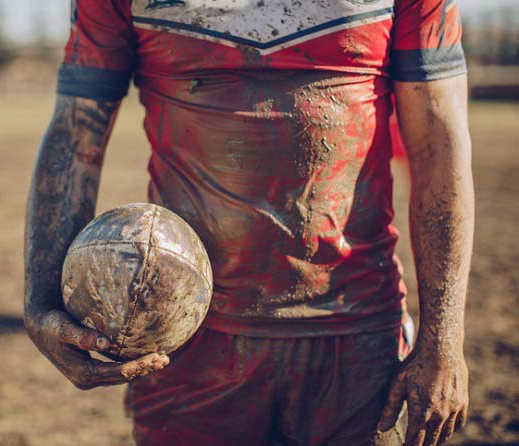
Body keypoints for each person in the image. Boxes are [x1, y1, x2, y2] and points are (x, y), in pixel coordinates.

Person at [24, 1, 474, 445]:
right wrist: (41, 303)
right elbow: (75, 132)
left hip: (357, 336)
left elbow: (440, 143)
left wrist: (444, 342)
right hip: (185, 346)